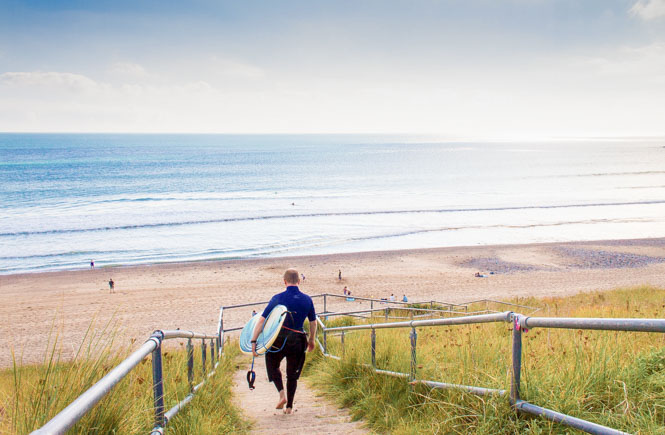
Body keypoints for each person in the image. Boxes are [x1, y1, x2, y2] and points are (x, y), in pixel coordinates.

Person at [251, 269, 317, 414]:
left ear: (284, 281)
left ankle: (281, 395)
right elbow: (313, 322)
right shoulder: (307, 299)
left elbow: (262, 320)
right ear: (299, 281)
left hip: (279, 339)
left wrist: (254, 341)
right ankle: (289, 408)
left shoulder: (277, 298)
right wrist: (311, 340)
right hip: (298, 339)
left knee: (272, 364)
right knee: (292, 374)